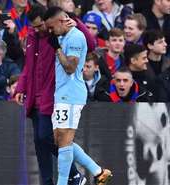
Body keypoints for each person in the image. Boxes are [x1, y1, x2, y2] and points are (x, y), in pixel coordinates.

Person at [15, 4, 86, 185]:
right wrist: (20, 88)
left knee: (47, 137)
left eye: (40, 26)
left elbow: (91, 44)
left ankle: (74, 173)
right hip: (34, 98)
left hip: (53, 97)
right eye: (34, 27)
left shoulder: (61, 35)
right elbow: (28, 67)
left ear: (48, 22)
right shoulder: (31, 37)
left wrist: (76, 22)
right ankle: (47, 181)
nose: (38, 30)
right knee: (40, 144)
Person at [43, 6, 112, 185]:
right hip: (63, 94)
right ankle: (99, 171)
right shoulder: (62, 35)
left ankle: (64, 182)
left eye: (51, 27)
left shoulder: (75, 36)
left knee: (64, 141)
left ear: (61, 21)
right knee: (59, 141)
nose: (50, 31)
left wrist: (57, 48)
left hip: (72, 94)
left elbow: (70, 67)